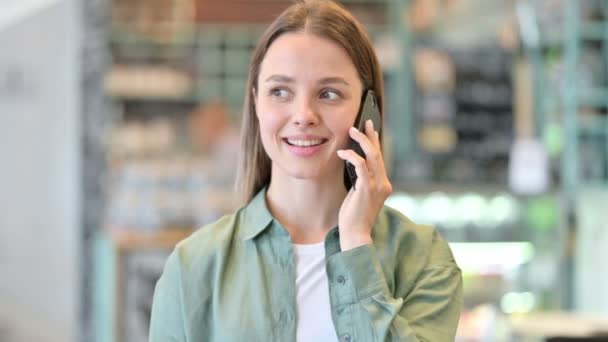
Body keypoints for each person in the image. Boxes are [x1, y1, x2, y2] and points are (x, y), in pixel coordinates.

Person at [149, 1, 463, 341]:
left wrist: (356, 243)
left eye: (329, 93)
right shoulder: (194, 267)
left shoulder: (423, 259)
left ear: (368, 110)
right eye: (279, 91)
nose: (303, 115)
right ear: (256, 102)